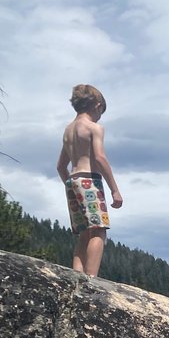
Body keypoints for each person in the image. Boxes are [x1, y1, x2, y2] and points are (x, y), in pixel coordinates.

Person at [56, 84, 123, 276]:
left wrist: (70, 185)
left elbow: (61, 166)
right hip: (89, 180)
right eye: (101, 112)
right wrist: (114, 189)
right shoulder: (94, 128)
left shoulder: (68, 131)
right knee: (99, 230)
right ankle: (91, 279)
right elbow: (100, 158)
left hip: (73, 180)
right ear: (97, 105)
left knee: (84, 232)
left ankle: (77, 275)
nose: (100, 116)